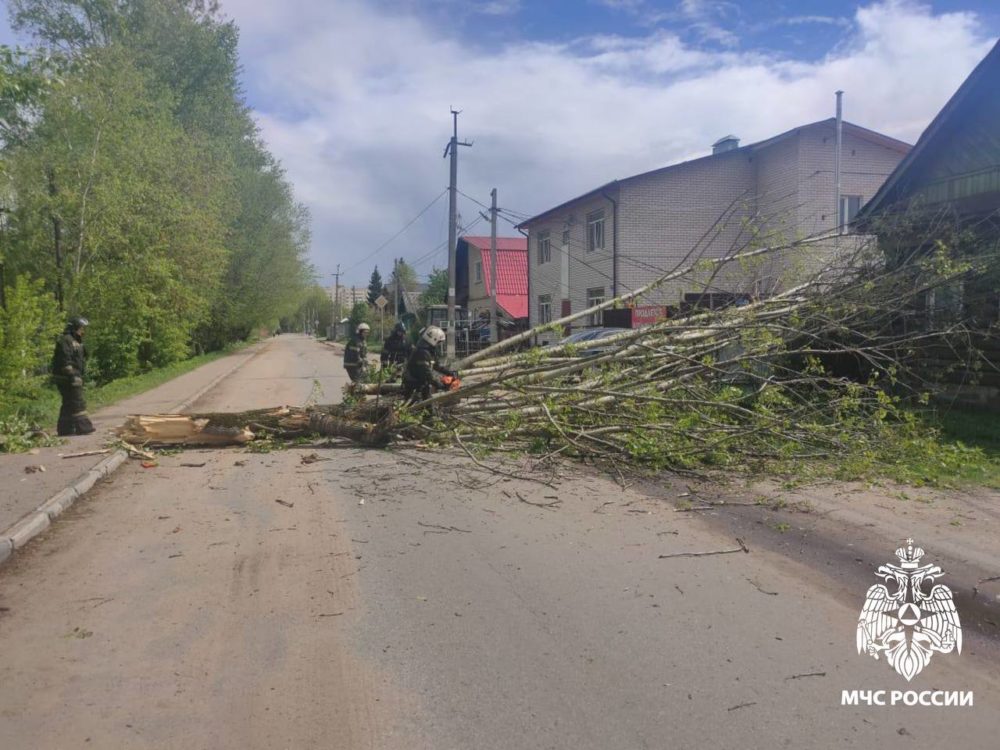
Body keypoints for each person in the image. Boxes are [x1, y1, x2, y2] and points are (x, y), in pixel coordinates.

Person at [51, 316, 96, 436]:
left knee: (68, 403)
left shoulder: (76, 341)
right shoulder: (66, 340)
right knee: (77, 402)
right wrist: (73, 376)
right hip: (67, 378)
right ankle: (84, 427)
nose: (83, 331)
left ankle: (65, 430)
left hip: (73, 376)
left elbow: (82, 357)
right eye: (81, 328)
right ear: (74, 328)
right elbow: (65, 360)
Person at [401, 325, 458, 403]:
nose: (438, 344)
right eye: (438, 342)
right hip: (413, 386)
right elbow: (427, 374)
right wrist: (440, 385)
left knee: (427, 407)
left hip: (421, 384)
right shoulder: (422, 353)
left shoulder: (429, 351)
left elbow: (436, 366)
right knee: (417, 407)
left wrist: (449, 373)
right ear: (433, 339)